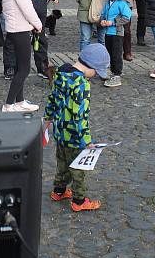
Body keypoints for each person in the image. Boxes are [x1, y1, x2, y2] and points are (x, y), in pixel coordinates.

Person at [45, 42, 110, 212]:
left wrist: (47, 118)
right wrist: (87, 141)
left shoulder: (60, 73)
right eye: (96, 72)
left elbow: (52, 99)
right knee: (78, 168)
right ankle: (79, 201)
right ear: (90, 66)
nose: (94, 76)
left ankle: (58, 191)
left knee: (62, 163)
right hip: (75, 136)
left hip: (60, 132)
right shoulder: (81, 84)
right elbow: (80, 117)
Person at [1, 0, 42, 112]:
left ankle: (20, 101)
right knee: (24, 69)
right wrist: (38, 25)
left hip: (13, 29)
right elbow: (27, 9)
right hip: (21, 30)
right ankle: (9, 104)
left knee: (19, 68)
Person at [100, 0, 132, 88]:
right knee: (109, 53)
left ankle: (117, 73)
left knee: (116, 54)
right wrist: (102, 21)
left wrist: (113, 22)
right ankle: (112, 71)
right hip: (108, 33)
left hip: (117, 33)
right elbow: (103, 13)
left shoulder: (122, 4)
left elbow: (127, 17)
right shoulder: (107, 2)